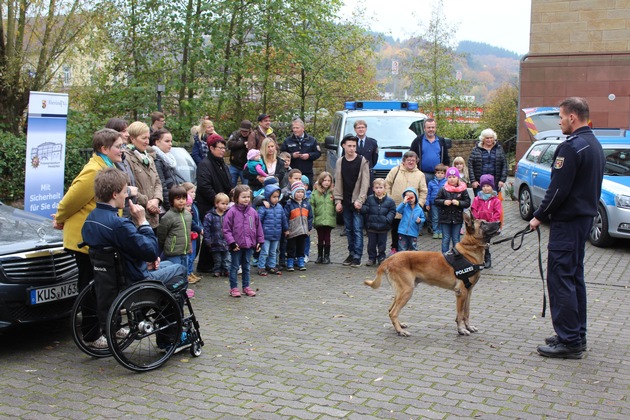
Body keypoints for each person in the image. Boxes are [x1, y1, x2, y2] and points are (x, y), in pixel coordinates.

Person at [530, 97, 604, 359]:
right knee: (574, 278)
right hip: (583, 221)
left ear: (572, 117)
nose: (559, 122)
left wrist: (538, 215)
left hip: (568, 222)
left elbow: (558, 189)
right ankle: (575, 333)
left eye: (560, 117)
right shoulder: (593, 144)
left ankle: (569, 341)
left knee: (560, 279)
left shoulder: (572, 148)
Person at [81, 168, 188, 349]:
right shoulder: (119, 224)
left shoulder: (91, 219)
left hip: (111, 278)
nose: (127, 196)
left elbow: (122, 250)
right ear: (115, 194)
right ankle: (169, 335)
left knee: (168, 264)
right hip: (134, 281)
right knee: (180, 271)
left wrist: (142, 257)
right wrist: (142, 222)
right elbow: (151, 251)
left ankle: (167, 322)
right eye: (124, 192)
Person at [53, 129, 126, 308]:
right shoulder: (94, 171)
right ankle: (91, 333)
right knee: (91, 286)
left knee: (105, 286)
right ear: (104, 148)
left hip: (101, 237)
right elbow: (69, 201)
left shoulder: (108, 166)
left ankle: (107, 327)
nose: (122, 150)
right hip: (86, 240)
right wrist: (60, 219)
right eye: (118, 146)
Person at [196, 133, 232, 273]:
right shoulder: (204, 164)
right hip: (209, 205)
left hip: (222, 204)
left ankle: (220, 263)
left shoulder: (222, 163)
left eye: (224, 148)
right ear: (211, 148)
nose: (223, 150)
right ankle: (206, 265)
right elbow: (204, 186)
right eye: (220, 148)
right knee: (210, 234)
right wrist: (218, 201)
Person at [333, 134, 370, 268]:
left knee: (357, 229)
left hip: (357, 201)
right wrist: (338, 201)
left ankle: (357, 256)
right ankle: (351, 252)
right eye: (349, 146)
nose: (352, 148)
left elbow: (365, 183)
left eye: (354, 146)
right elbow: (338, 182)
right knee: (348, 229)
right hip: (346, 201)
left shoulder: (362, 161)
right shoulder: (340, 161)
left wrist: (360, 200)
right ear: (343, 146)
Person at [223, 185, 264, 297]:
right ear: (236, 198)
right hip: (236, 245)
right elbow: (226, 229)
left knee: (246, 266)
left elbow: (258, 226)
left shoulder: (253, 212)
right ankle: (234, 288)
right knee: (235, 267)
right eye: (243, 197)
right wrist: (231, 242)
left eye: (248, 197)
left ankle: (246, 286)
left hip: (249, 244)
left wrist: (260, 241)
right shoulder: (231, 212)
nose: (246, 199)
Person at [384, 151, 428, 254]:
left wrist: (420, 204)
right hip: (396, 206)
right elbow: (387, 185)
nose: (411, 162)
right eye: (408, 160)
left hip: (412, 209)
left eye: (413, 160)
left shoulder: (420, 175)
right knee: (396, 228)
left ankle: (409, 251)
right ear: (403, 161)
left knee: (409, 230)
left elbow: (423, 191)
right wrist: (389, 200)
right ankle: (394, 248)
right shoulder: (395, 170)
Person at [124, 121, 163, 228]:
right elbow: (127, 185)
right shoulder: (126, 158)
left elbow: (157, 181)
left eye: (148, 138)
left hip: (153, 216)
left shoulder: (149, 157)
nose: (147, 141)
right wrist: (148, 203)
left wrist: (157, 200)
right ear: (132, 139)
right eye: (143, 138)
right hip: (137, 217)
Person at [105, 118, 138, 216]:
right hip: (118, 213)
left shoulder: (123, 157)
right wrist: (128, 191)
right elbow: (108, 187)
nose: (127, 134)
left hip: (129, 211)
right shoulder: (110, 160)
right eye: (123, 131)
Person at [434, 167, 470, 253]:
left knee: (456, 239)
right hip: (445, 219)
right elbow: (436, 200)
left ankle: (456, 257)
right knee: (445, 239)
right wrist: (443, 202)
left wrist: (458, 203)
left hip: (457, 219)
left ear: (458, 177)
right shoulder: (443, 189)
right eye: (449, 177)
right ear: (447, 178)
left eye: (454, 177)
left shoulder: (463, 190)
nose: (452, 179)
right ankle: (444, 257)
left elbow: (467, 202)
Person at [361, 178, 396, 265]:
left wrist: (387, 220)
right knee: (371, 245)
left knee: (382, 245)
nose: (379, 190)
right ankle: (371, 258)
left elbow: (392, 211)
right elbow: (366, 209)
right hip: (372, 227)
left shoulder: (390, 201)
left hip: (383, 227)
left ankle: (381, 257)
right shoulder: (369, 199)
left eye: (381, 187)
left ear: (385, 188)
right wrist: (360, 208)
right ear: (373, 189)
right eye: (376, 188)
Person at [470, 174, 502, 268]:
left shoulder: (496, 200)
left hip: (488, 226)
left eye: (488, 186)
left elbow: (497, 213)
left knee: (485, 243)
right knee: (477, 242)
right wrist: (477, 220)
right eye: (483, 186)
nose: (485, 188)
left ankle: (487, 258)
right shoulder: (477, 198)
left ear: (492, 187)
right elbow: (473, 210)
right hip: (479, 225)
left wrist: (490, 223)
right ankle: (477, 259)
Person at [157, 185, 192, 269]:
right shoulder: (167, 217)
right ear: (171, 201)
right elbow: (161, 235)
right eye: (178, 199)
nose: (181, 201)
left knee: (184, 273)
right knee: (175, 274)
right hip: (173, 252)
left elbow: (188, 232)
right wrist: (165, 247)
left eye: (183, 198)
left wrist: (189, 247)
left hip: (185, 251)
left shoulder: (188, 215)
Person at [257, 184, 288, 276]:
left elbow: (283, 219)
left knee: (273, 251)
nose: (276, 199)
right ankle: (261, 266)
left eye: (277, 197)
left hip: (276, 233)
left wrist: (286, 229)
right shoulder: (263, 208)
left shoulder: (279, 207)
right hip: (266, 234)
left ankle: (271, 265)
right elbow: (258, 221)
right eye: (274, 197)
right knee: (265, 252)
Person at [280, 118, 321, 189]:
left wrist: (309, 156)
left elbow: (318, 153)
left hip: (307, 171)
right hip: (292, 172)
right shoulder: (287, 141)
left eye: (297, 128)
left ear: (303, 128)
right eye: (293, 128)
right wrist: (292, 155)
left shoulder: (312, 140)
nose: (295, 130)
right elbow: (282, 154)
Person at [467, 128, 508, 197]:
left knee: (493, 203)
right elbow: (470, 165)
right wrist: (473, 180)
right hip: (479, 183)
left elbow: (504, 165)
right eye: (487, 138)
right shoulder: (476, 150)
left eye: (491, 138)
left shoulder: (499, 149)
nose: (489, 140)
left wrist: (502, 180)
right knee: (479, 203)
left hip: (494, 182)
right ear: (483, 139)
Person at [150, 128, 184, 212]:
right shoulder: (157, 160)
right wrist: (170, 208)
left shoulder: (168, 158)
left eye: (171, 141)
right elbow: (162, 186)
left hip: (174, 201)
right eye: (167, 141)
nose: (170, 144)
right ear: (157, 142)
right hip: (166, 206)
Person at [409, 118, 450, 182]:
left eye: (433, 127)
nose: (431, 129)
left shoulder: (441, 141)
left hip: (439, 175)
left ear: (435, 128)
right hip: (422, 174)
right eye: (428, 127)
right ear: (424, 129)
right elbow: (411, 156)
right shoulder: (418, 141)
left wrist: (446, 171)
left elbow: (446, 158)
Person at [284, 181, 313, 271]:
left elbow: (310, 217)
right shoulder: (289, 204)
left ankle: (300, 261)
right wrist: (286, 229)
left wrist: (309, 228)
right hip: (292, 230)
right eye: (297, 192)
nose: (300, 194)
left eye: (301, 192)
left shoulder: (307, 204)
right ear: (293, 193)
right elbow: (285, 217)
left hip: (303, 230)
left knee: (301, 246)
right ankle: (290, 262)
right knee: (291, 247)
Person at [202, 193, 231, 278]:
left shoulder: (228, 215)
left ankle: (226, 270)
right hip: (215, 242)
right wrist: (208, 240)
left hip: (226, 242)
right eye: (223, 203)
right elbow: (206, 229)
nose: (225, 206)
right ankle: (217, 270)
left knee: (227, 258)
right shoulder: (209, 216)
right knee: (217, 259)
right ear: (216, 204)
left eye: (226, 204)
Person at [310, 171, 336, 264]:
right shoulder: (315, 193)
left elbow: (336, 204)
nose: (327, 182)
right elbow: (312, 206)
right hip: (319, 218)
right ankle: (320, 256)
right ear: (321, 181)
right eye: (325, 180)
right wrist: (312, 218)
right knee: (320, 237)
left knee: (327, 237)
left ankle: (327, 256)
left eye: (329, 180)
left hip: (329, 218)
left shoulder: (333, 193)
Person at [182, 184, 202, 284]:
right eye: (191, 192)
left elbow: (197, 219)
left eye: (194, 192)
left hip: (194, 234)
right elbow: (192, 222)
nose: (194, 194)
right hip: (190, 234)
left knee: (193, 254)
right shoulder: (187, 209)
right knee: (189, 255)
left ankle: (190, 272)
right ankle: (188, 273)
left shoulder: (194, 205)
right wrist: (199, 229)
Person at [395, 187, 425, 251]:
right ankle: (402, 260)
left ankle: (413, 260)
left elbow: (423, 218)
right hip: (402, 232)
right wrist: (404, 202)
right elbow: (398, 210)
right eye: (408, 198)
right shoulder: (404, 207)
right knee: (402, 248)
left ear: (416, 197)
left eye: (412, 197)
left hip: (413, 232)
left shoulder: (419, 209)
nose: (410, 199)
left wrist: (420, 220)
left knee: (413, 248)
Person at [353, 119, 379, 188]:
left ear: (366, 129)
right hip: (354, 172)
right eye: (358, 128)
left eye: (362, 127)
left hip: (368, 172)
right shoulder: (350, 142)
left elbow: (374, 159)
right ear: (355, 129)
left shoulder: (373, 143)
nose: (361, 129)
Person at [226, 120, 252, 187]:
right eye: (242, 131)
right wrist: (243, 143)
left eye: (246, 131)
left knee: (246, 187)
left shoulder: (252, 136)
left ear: (249, 130)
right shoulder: (235, 134)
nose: (244, 133)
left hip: (246, 167)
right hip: (234, 165)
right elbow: (230, 145)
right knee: (230, 185)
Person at [426, 164, 448, 240]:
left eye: (442, 173)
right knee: (435, 218)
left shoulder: (446, 183)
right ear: (435, 173)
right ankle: (435, 231)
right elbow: (428, 194)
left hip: (443, 203)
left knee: (442, 218)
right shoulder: (431, 183)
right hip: (434, 203)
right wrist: (427, 203)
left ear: (445, 174)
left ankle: (441, 231)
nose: (440, 175)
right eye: (438, 173)